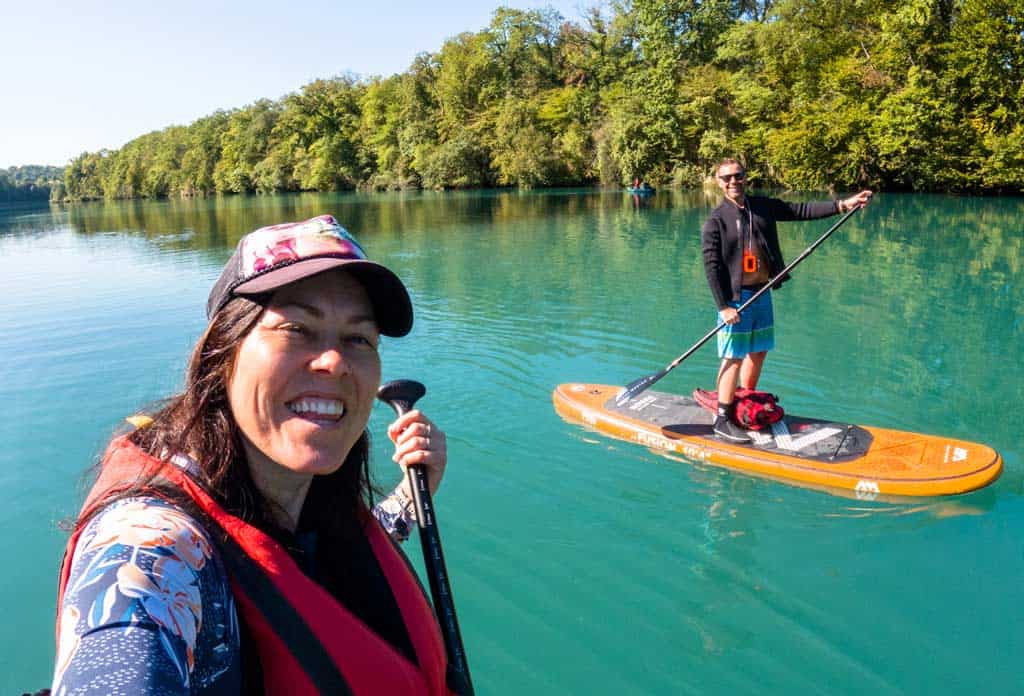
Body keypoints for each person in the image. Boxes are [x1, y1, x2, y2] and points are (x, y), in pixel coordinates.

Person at [51, 215, 457, 694]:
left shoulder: (300, 495)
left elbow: (314, 563)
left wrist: (413, 499)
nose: (335, 361)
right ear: (223, 355)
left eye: (358, 339)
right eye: (296, 328)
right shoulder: (152, 551)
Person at [701, 159, 872, 443]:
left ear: (745, 177)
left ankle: (745, 400)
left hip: (762, 293)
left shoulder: (763, 206)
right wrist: (724, 306)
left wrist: (844, 204)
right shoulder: (715, 221)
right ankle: (722, 417)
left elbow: (801, 210)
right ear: (718, 182)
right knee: (733, 357)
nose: (734, 181)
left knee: (758, 351)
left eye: (738, 176)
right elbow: (711, 266)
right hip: (736, 299)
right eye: (727, 178)